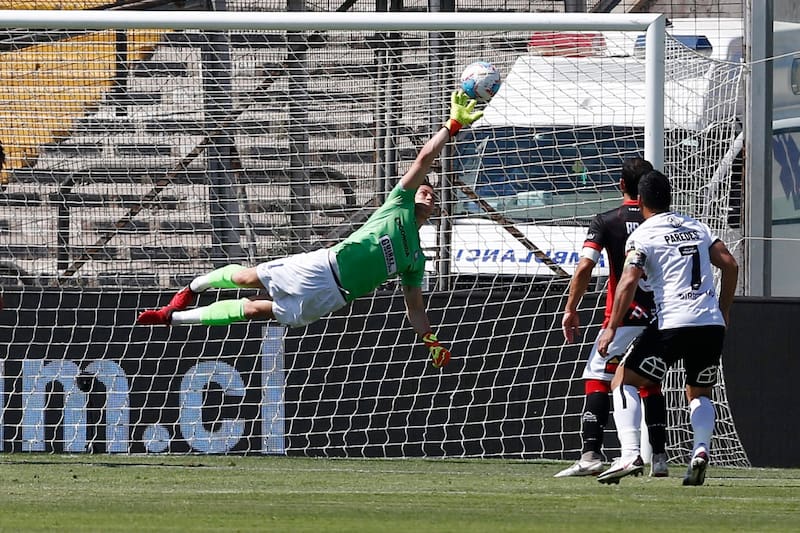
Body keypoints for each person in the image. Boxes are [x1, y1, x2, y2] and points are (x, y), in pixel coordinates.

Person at [136, 90, 485, 369]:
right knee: (245, 279)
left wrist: (430, 340)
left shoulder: (415, 259)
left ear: (435, 209)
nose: (427, 193)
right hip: (322, 267)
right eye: (424, 189)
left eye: (432, 195)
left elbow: (415, 307)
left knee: (255, 310)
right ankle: (191, 288)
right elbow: (424, 159)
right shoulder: (397, 205)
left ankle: (174, 319)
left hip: (333, 298)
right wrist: (451, 126)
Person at [595, 170, 738, 485]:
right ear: (670, 198)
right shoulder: (696, 226)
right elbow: (730, 264)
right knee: (699, 392)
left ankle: (630, 454)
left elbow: (628, 281)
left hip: (672, 322)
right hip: (710, 324)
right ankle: (700, 450)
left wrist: (611, 327)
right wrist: (724, 309)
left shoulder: (643, 235)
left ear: (640, 200)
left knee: (622, 379)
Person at [555, 158, 669, 478]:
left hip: (622, 317)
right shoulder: (663, 224)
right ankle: (660, 457)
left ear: (621, 185)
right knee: (648, 381)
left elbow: (585, 267)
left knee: (597, 377)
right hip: (660, 317)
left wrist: (571, 308)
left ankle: (591, 454)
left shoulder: (607, 220)